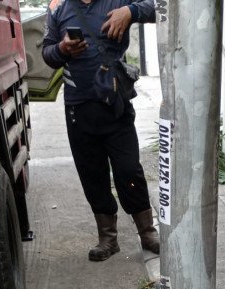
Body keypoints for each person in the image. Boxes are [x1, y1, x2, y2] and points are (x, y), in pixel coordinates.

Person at [42, 0, 159, 260]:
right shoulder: (58, 8)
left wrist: (130, 12)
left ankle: (147, 232)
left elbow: (158, 8)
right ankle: (108, 239)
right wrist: (63, 48)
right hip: (78, 109)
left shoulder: (118, 1)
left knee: (129, 170)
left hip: (115, 107)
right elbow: (48, 54)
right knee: (92, 176)